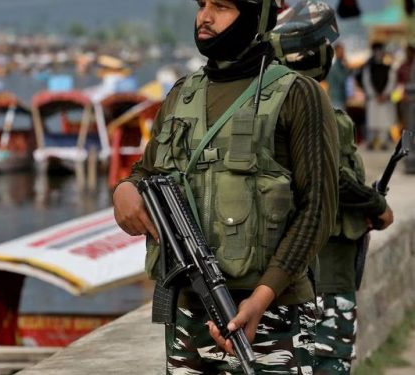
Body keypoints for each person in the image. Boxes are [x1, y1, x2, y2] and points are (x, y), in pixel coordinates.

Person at [112, 0, 339, 373]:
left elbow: (318, 209)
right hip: (188, 311)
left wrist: (262, 297)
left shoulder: (298, 94)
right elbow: (146, 170)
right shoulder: (181, 94)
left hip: (274, 313)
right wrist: (125, 190)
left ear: (256, 17)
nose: (205, 17)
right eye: (202, 5)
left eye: (221, 6)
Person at [271, 3, 395, 374]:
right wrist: (376, 206)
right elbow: (334, 180)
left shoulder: (274, 105)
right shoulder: (319, 109)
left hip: (292, 261)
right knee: (331, 357)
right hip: (328, 262)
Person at [361, 42, 397, 150]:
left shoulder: (389, 68)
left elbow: (391, 82)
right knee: (372, 122)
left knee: (384, 122)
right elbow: (366, 82)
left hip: (384, 100)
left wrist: (385, 94)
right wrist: (374, 95)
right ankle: (371, 142)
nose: (378, 54)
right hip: (373, 100)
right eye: (376, 51)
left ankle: (383, 142)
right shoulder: (368, 68)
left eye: (380, 51)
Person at [327, 43, 351, 109]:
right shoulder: (336, 67)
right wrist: (347, 68)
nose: (343, 54)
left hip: (338, 99)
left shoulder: (339, 66)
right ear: (336, 52)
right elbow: (342, 79)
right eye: (341, 51)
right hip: (336, 99)